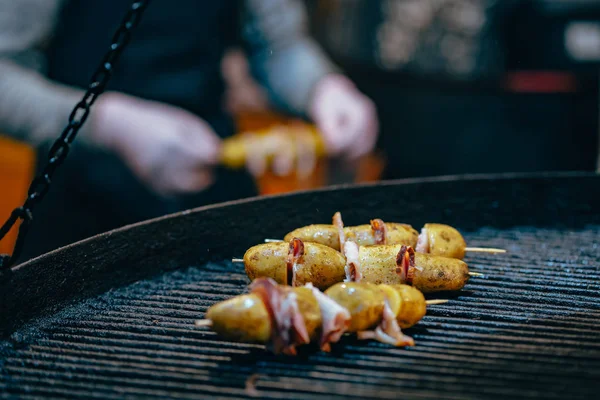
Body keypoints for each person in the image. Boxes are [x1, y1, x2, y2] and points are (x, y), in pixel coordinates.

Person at [0, 0, 379, 261]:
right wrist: (109, 123)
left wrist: (324, 88)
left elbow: (280, 45)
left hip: (213, 186)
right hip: (80, 207)